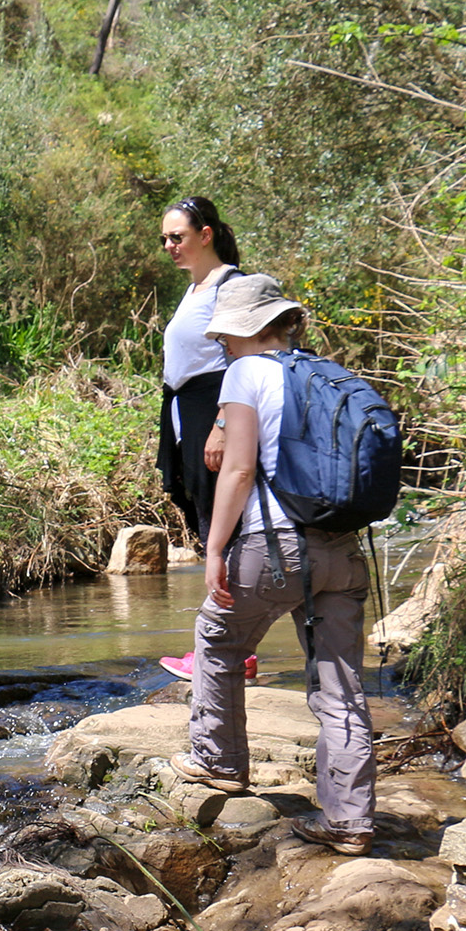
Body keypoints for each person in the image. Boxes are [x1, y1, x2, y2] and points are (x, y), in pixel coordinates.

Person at [169, 274, 376, 854]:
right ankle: (351, 821)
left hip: (275, 544)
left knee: (218, 638)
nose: (222, 345)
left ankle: (219, 761)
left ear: (246, 330)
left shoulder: (246, 373)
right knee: (341, 684)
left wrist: (215, 549)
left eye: (225, 336)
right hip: (343, 548)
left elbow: (238, 470)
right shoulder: (328, 373)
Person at [152, 196, 258, 685]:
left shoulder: (229, 286)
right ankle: (231, 648)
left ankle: (227, 651)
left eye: (178, 237)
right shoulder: (196, 289)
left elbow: (242, 359)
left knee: (224, 529)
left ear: (206, 235)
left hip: (214, 413)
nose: (169, 246)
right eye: (164, 239)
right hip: (186, 414)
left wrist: (221, 425)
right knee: (208, 525)